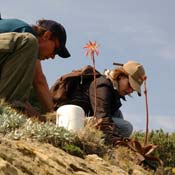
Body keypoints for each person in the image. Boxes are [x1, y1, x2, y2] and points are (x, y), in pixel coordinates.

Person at [52, 61, 146, 139]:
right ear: (121, 76)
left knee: (118, 113)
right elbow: (102, 118)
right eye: (130, 85)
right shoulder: (103, 85)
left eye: (133, 89)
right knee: (126, 127)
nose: (130, 90)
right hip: (77, 120)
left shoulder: (112, 90)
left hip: (87, 117)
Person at [0, 16, 70, 118]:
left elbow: (22, 97)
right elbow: (39, 81)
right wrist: (55, 117)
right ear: (47, 35)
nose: (53, 57)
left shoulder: (20, 54)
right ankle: (6, 111)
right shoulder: (27, 36)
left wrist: (43, 120)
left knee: (27, 91)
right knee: (29, 42)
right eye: (56, 50)